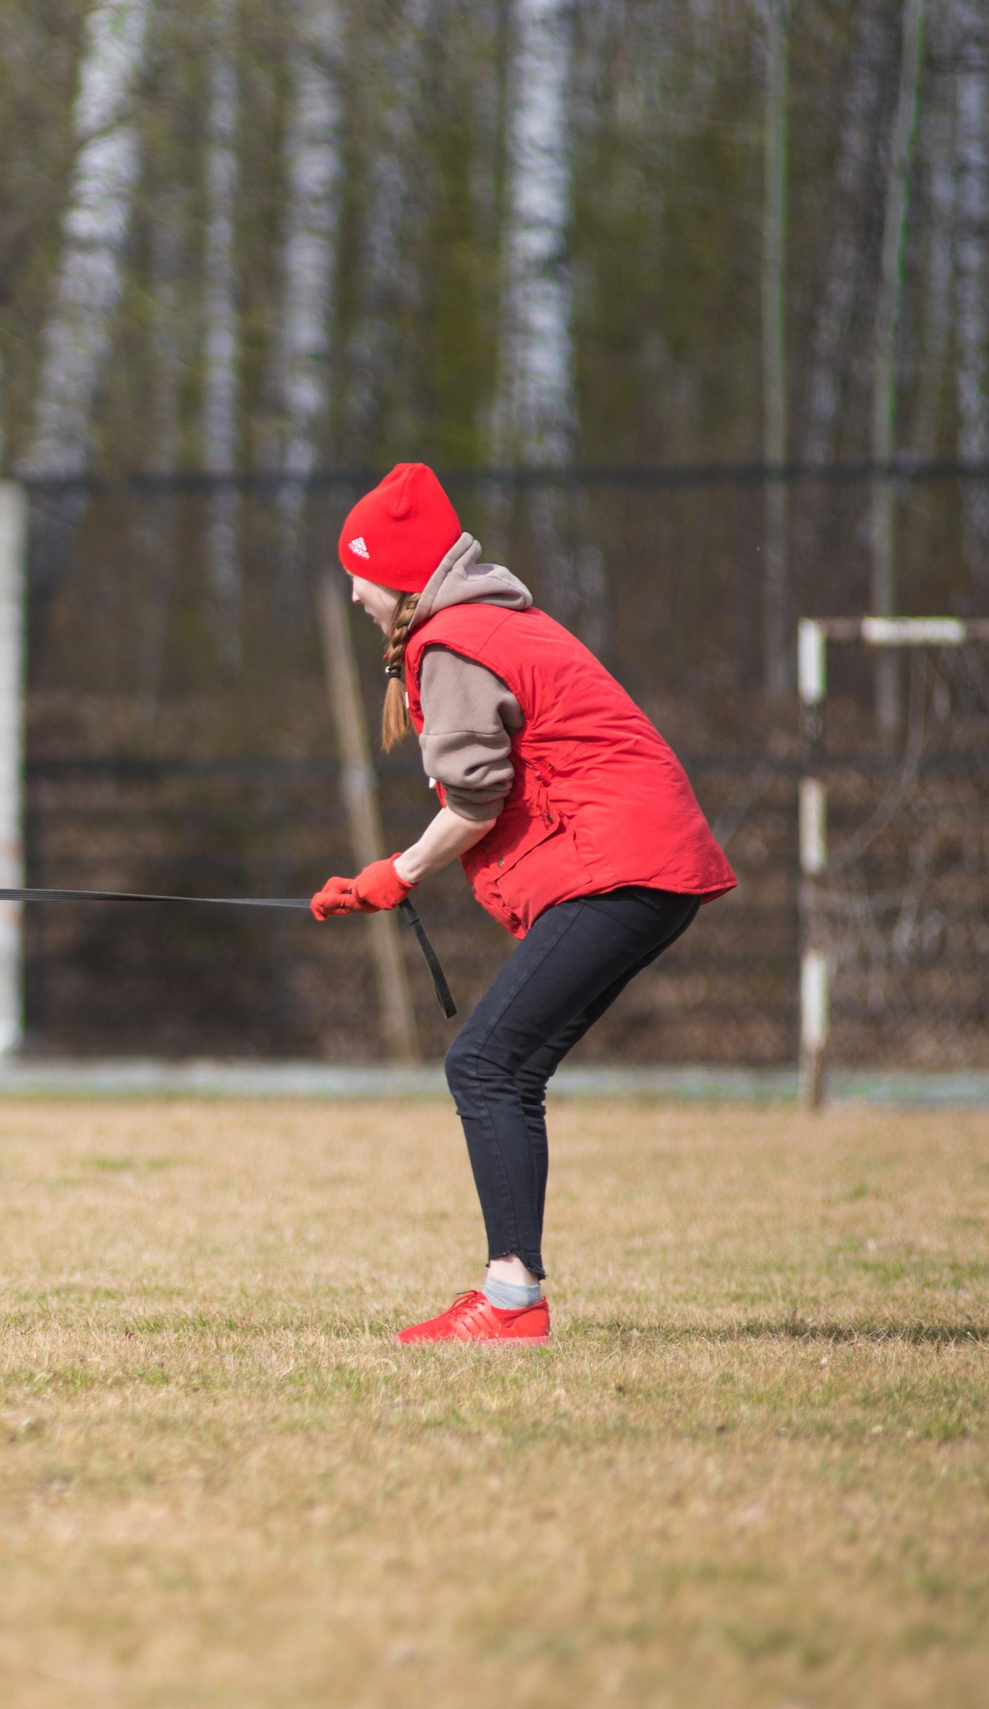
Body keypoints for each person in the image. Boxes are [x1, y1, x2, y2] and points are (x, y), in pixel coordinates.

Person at [310, 463, 735, 1345]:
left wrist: (395, 872)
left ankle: (510, 1301)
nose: (353, 594)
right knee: (503, 1067)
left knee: (484, 1065)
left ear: (397, 573)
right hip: (642, 862)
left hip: (622, 865)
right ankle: (512, 1296)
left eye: (358, 573)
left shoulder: (454, 640)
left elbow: (475, 800)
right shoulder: (486, 621)